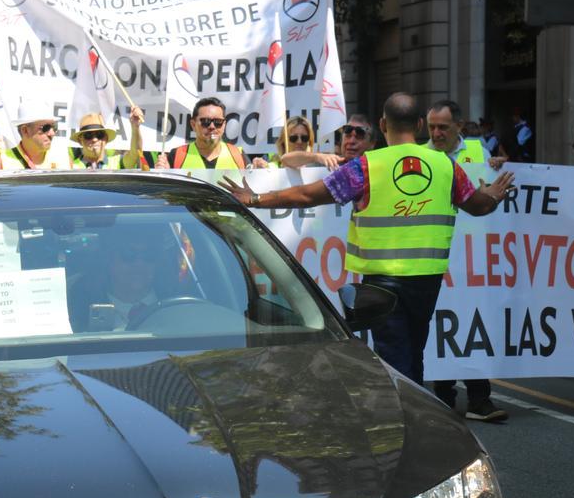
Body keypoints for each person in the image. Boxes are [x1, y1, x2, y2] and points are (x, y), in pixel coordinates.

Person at [220, 92, 516, 386]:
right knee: (414, 353)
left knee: (396, 359)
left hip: (381, 283)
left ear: (383, 123)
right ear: (419, 125)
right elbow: (478, 206)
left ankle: (409, 419)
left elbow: (309, 195)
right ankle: (416, 412)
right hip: (428, 280)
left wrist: (257, 198)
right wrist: (494, 194)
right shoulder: (446, 166)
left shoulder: (365, 166)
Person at [426, 99, 509, 421]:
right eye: (432, 126)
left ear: (459, 126)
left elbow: (488, 191)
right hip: (438, 253)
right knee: (441, 323)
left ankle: (479, 398)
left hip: (473, 257)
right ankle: (443, 396)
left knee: (474, 321)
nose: (436, 133)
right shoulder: (423, 154)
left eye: (443, 127)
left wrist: (496, 166)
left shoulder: (478, 154)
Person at [156, 97, 248, 170]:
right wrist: (164, 176)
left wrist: (260, 175)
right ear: (193, 124)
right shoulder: (177, 155)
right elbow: (164, 193)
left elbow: (255, 192)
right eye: (205, 121)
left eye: (218, 122)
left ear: (224, 125)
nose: (212, 126)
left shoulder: (239, 155)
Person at [0, 104, 71, 169]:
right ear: (25, 130)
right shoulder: (0, 162)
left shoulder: (64, 159)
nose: (52, 133)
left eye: (54, 127)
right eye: (46, 128)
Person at [69, 107, 146, 169]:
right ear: (80, 140)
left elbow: (136, 153)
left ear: (106, 138)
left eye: (99, 135)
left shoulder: (117, 162)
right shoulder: (71, 167)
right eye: (88, 135)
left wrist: (135, 127)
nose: (94, 139)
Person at [253, 117, 343, 170]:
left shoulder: (317, 166)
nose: (299, 141)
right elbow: (286, 159)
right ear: (284, 141)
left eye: (304, 138)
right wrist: (257, 168)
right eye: (293, 138)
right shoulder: (271, 165)